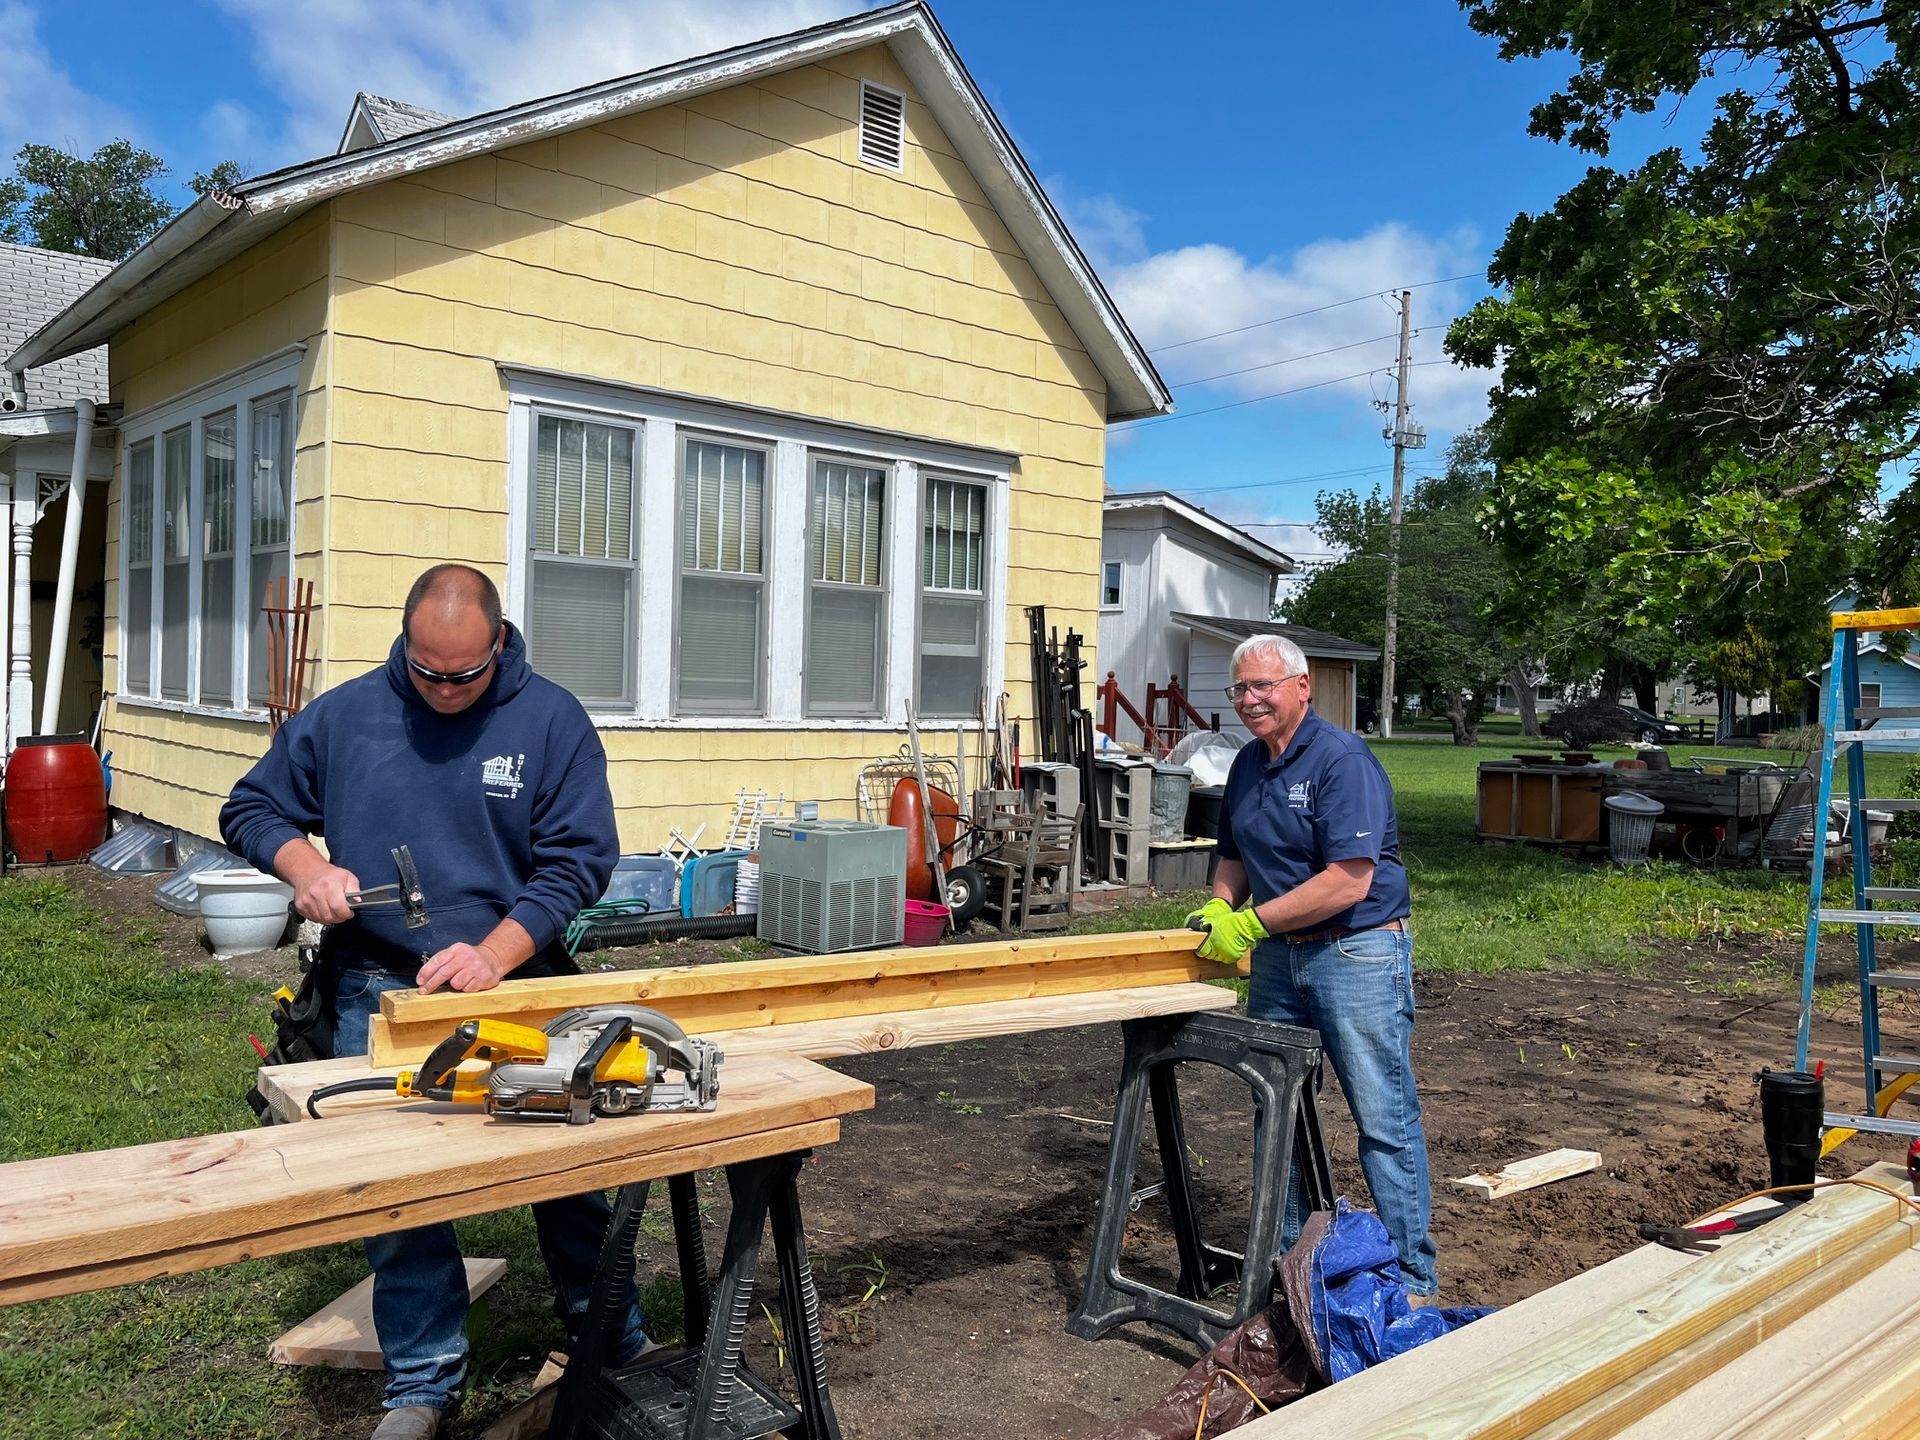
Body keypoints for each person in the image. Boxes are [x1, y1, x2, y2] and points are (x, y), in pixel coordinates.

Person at [221, 564, 650, 1440]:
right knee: (395, 1188)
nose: (445, 689)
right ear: (405, 642)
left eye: (465, 673)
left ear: (498, 641)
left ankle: (608, 1334)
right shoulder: (346, 716)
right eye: (427, 671)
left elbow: (577, 862)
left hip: (522, 981)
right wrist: (307, 869)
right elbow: (252, 806)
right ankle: (420, 1380)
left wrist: (495, 952)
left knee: (571, 1173)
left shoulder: (550, 721)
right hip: (377, 983)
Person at [1185, 633, 1437, 1303]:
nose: (1249, 700)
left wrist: (1253, 922)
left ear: (1302, 687)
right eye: (1239, 689)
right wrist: (1219, 905)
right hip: (1279, 958)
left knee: (1381, 1116)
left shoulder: (1342, 760)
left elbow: (1349, 882)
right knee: (1280, 1109)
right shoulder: (1246, 765)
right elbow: (1235, 855)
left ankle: (1412, 1277)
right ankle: (1290, 1265)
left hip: (1354, 950)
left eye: (1262, 686)